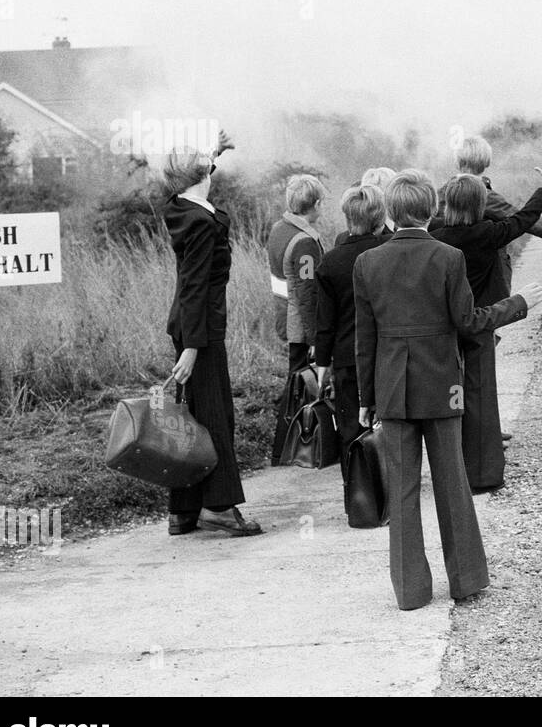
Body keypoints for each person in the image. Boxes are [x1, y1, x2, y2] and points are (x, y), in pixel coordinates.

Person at [352, 170, 542, 610]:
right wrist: (519, 304)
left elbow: (365, 340)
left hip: (393, 390)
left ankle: (411, 591)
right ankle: (466, 580)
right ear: (431, 209)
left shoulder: (367, 263)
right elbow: (469, 323)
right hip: (443, 386)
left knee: (401, 493)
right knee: (452, 483)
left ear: (391, 211)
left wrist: (366, 399)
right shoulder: (448, 257)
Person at [162, 134, 262, 537]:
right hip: (199, 332)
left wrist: (212, 150)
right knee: (215, 416)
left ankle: (183, 510)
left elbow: (194, 175)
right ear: (203, 173)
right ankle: (218, 507)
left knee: (191, 418)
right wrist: (191, 348)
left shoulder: (181, 208)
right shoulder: (201, 223)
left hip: (191, 328)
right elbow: (194, 287)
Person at [429, 169, 542, 491]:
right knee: (481, 398)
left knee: (449, 398)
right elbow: (523, 219)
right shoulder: (486, 233)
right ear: (479, 205)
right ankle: (482, 474)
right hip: (479, 325)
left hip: (441, 329)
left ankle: (451, 468)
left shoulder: (435, 234)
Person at [454, 135, 542, 294]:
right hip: (484, 278)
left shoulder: (445, 192)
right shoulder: (482, 195)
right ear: (487, 161)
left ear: (458, 161)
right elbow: (525, 220)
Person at [314, 184, 390, 485]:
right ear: (379, 217)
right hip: (386, 351)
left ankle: (358, 498)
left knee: (349, 427)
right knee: (388, 424)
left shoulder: (330, 261)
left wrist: (322, 363)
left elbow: (325, 321)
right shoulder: (388, 251)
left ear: (347, 217)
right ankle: (389, 492)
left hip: (346, 356)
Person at [267, 173, 327, 464]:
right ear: (314, 204)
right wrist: (317, 339)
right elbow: (307, 293)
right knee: (302, 385)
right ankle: (297, 446)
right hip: (300, 325)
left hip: (284, 316)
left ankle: (285, 448)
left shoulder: (279, 228)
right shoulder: (304, 243)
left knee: (294, 383)